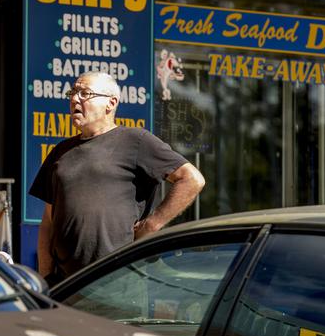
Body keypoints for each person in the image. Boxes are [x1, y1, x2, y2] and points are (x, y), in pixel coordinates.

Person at [29, 71, 205, 286]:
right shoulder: (61, 151)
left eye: (85, 93)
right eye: (73, 93)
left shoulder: (135, 140)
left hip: (118, 283)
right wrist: (45, 276)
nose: (74, 99)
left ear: (110, 104)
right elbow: (48, 220)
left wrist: (152, 225)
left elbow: (191, 179)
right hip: (65, 285)